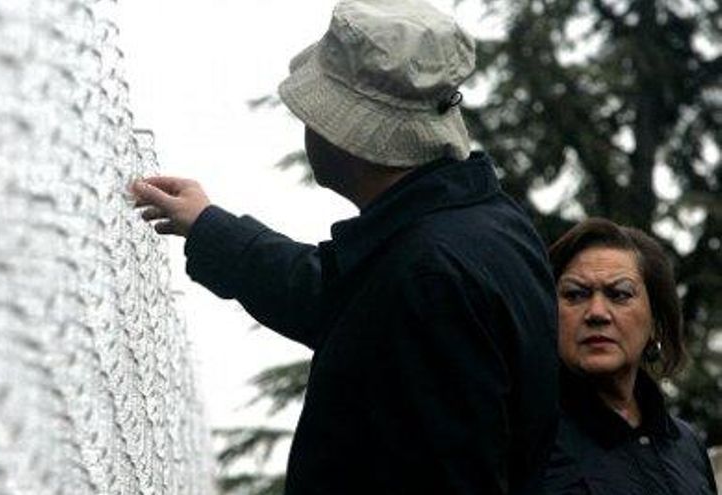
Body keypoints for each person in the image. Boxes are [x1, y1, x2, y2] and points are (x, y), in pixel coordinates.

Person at [130, 0, 558, 492]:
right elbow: (339, 298)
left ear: (348, 136)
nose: (307, 126)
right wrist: (209, 227)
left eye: (315, 112)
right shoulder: (476, 226)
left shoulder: (428, 273)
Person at [542, 218, 718, 494]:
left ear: (656, 322)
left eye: (620, 294)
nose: (597, 312)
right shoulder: (524, 439)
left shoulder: (686, 446)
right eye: (575, 294)